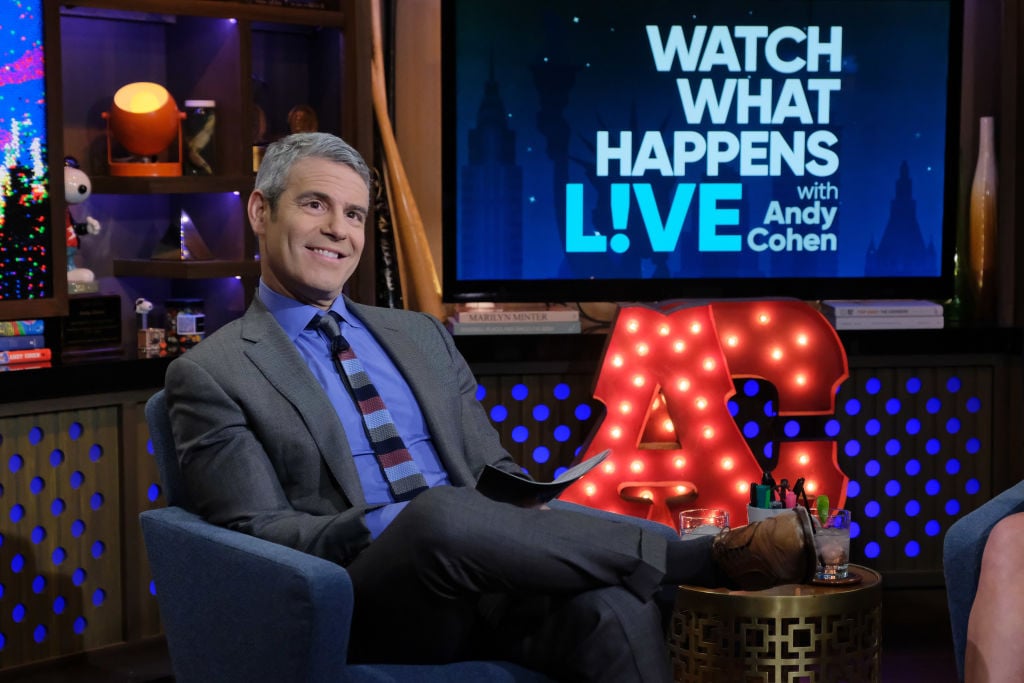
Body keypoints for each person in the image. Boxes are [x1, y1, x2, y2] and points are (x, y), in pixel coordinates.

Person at [164, 132, 818, 681]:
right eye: (316, 205)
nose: (339, 229)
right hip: (369, 597)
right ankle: (700, 558)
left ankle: (675, 564)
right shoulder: (213, 372)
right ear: (260, 211)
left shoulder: (419, 334)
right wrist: (383, 521)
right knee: (434, 510)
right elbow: (258, 533)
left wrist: (526, 505)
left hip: (486, 576)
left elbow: (491, 470)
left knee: (612, 607)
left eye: (355, 214)